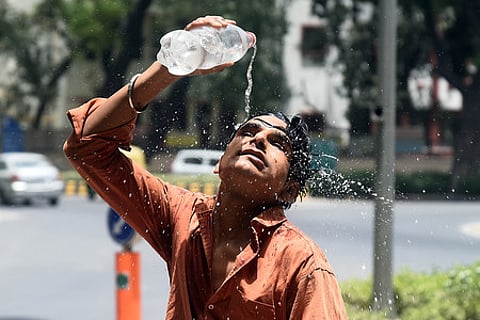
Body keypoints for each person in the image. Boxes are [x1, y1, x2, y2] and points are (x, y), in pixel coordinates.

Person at [64, 15, 347, 319]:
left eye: (278, 143)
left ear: (289, 189)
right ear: (220, 164)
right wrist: (170, 67)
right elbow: (88, 147)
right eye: (248, 132)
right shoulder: (182, 218)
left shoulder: (301, 264)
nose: (259, 140)